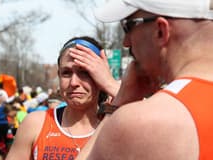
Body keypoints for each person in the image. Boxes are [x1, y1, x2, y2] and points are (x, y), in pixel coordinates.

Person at [72, 0, 213, 159]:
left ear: (160, 30)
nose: (126, 42)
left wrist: (117, 106)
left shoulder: (143, 124)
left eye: (128, 26)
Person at [6, 36, 117, 159]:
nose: (74, 82)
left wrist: (111, 85)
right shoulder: (36, 123)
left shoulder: (116, 128)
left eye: (85, 72)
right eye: (66, 73)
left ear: (102, 76)